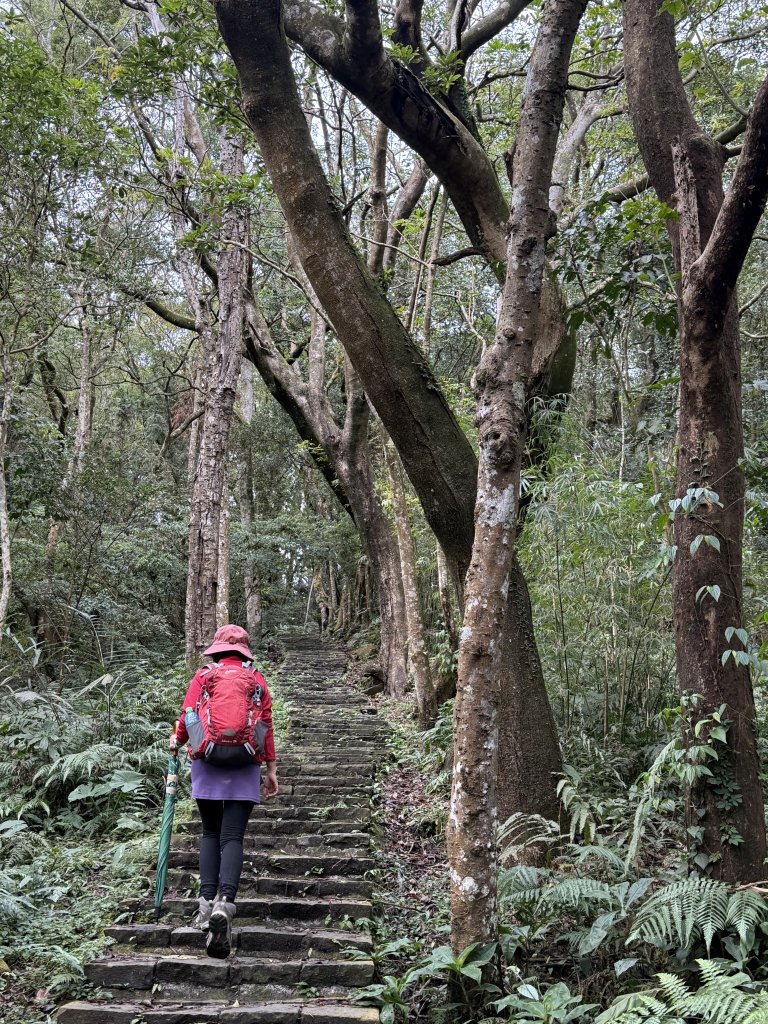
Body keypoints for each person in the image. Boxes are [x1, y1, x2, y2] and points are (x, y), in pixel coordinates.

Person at [170, 623, 278, 958]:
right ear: (245, 648)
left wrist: (177, 739)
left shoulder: (204, 675)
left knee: (210, 833)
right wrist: (271, 769)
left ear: (217, 647)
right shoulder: (256, 679)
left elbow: (189, 716)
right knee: (233, 836)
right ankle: (226, 904)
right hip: (245, 764)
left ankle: (205, 906)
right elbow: (266, 725)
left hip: (208, 761)